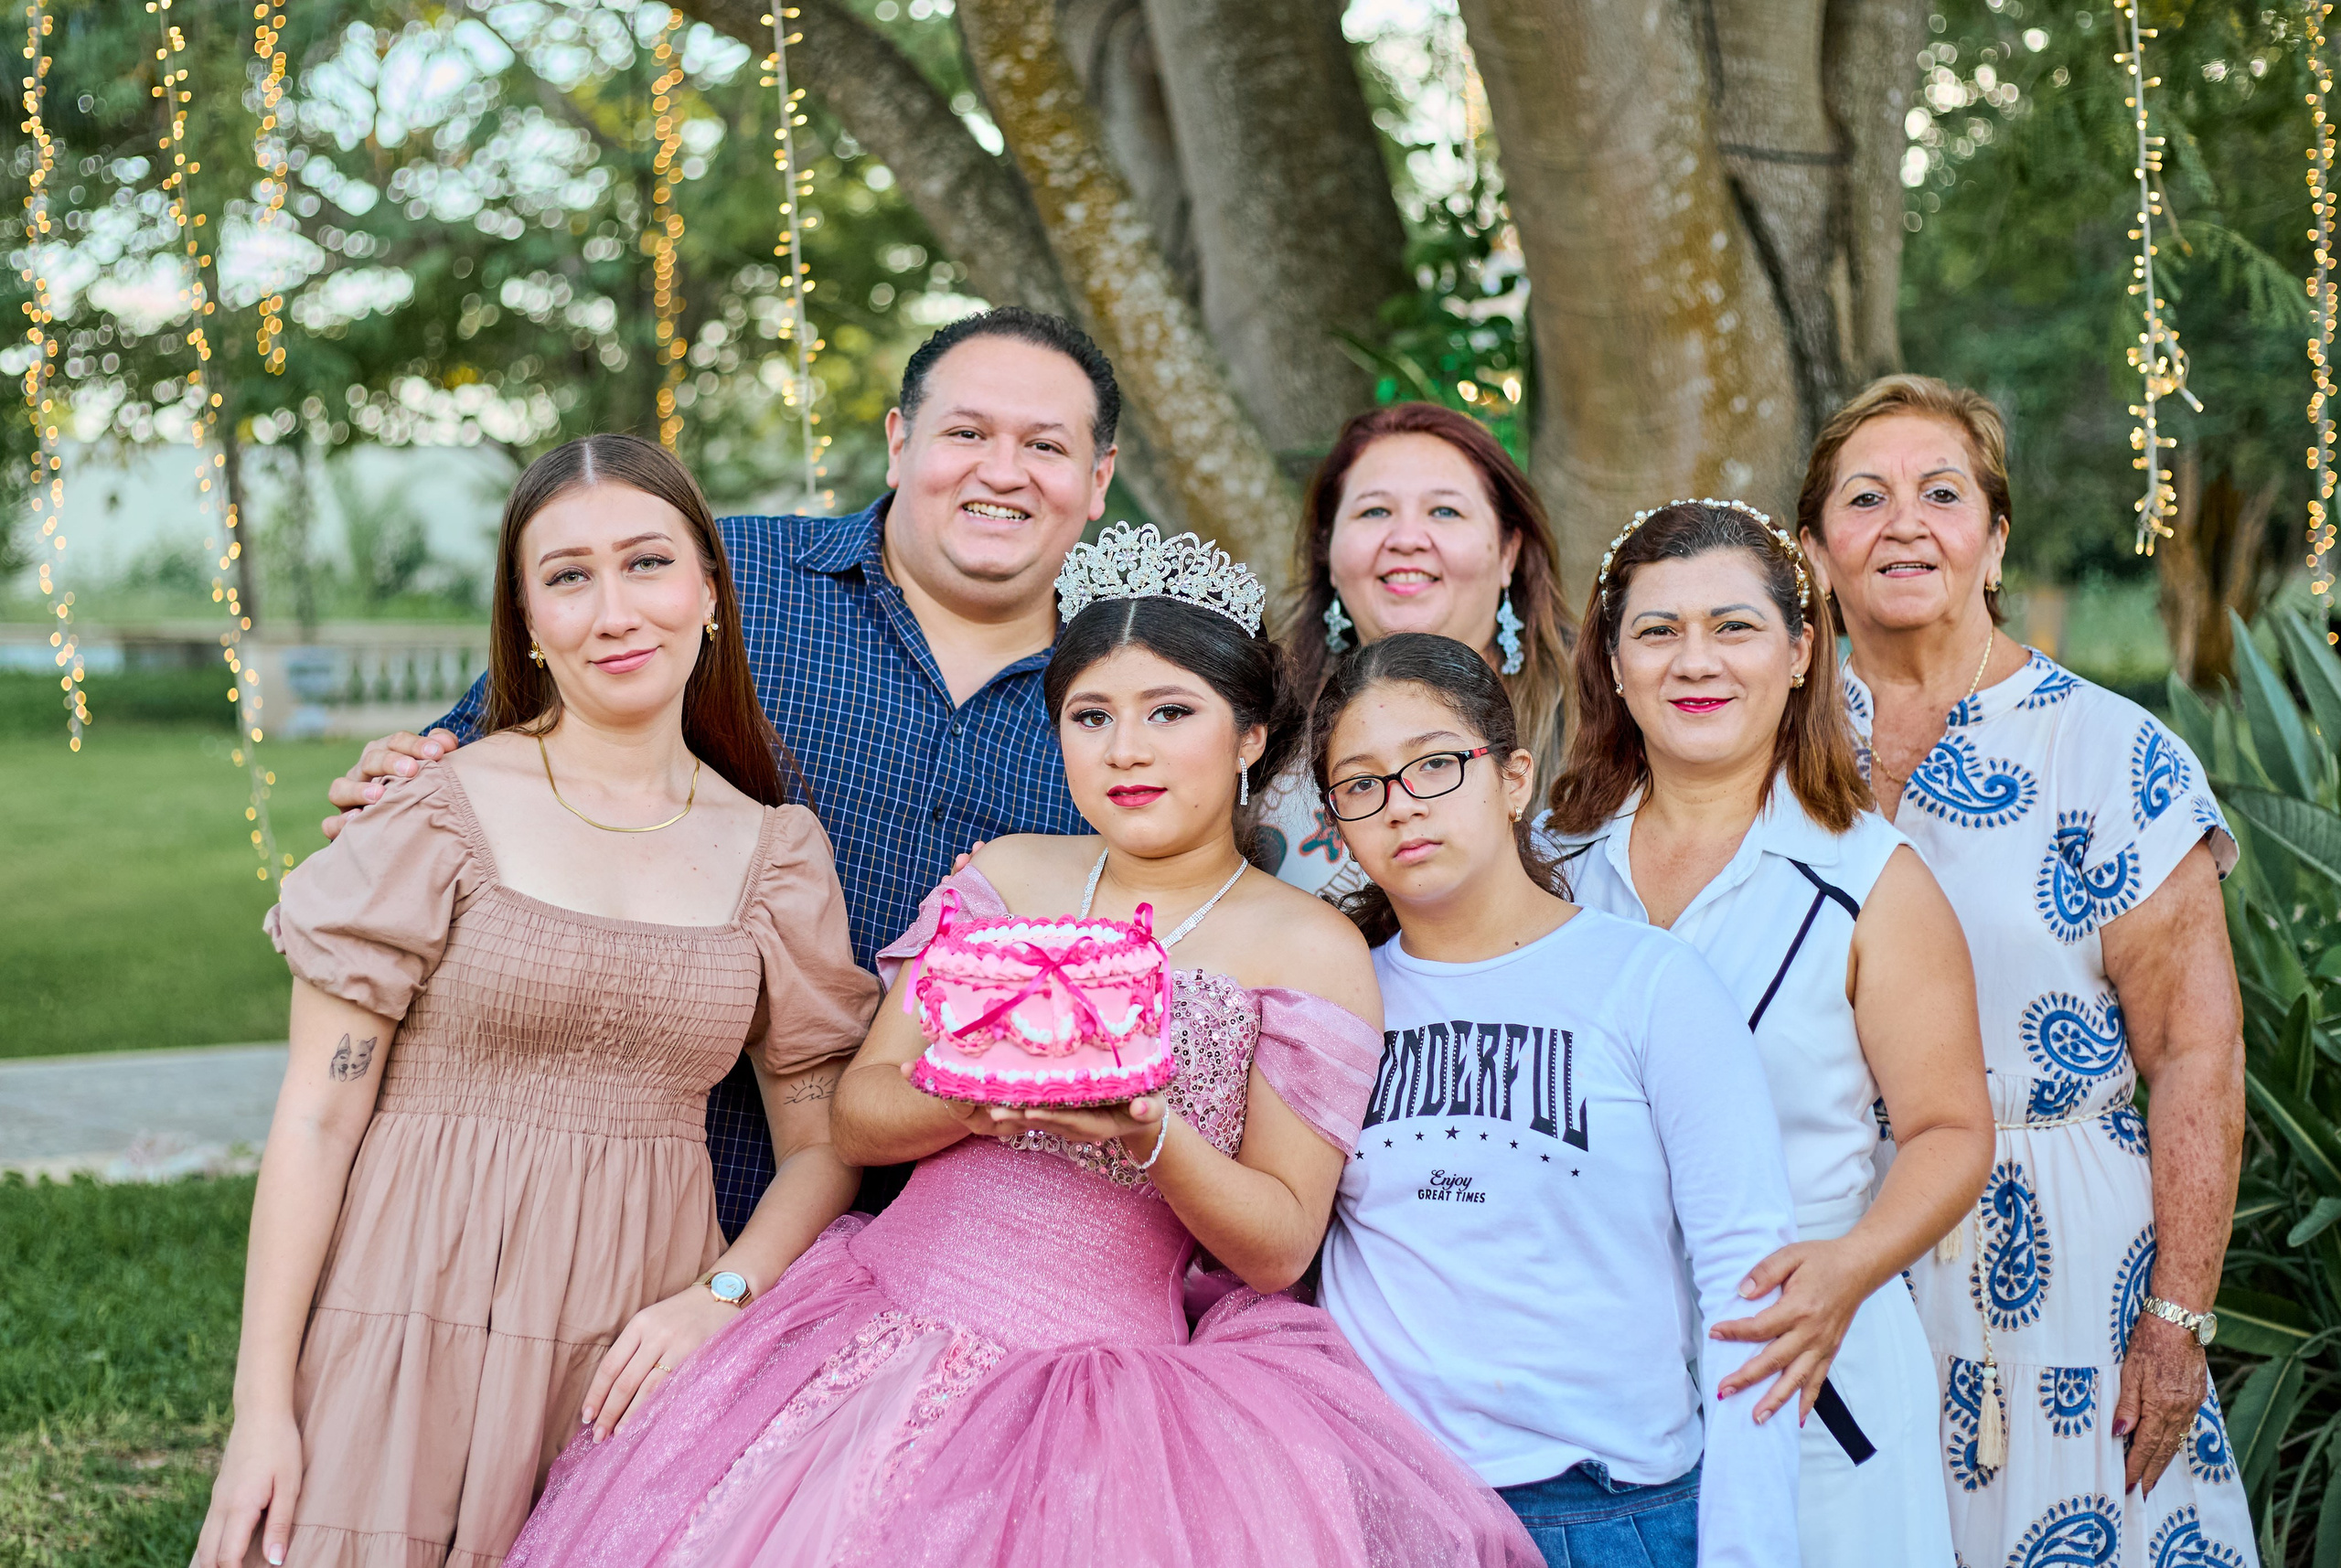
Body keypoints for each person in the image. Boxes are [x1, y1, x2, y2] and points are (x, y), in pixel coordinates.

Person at [500, 526, 1539, 1567]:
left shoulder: (1309, 946)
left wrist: (1149, 1134)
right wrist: (981, 1094)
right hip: (874, 1326)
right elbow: (859, 1113)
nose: (1124, 748)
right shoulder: (1003, 876)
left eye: (1169, 712)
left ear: (1250, 736)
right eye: (1090, 716)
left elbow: (1278, 1243)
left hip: (1105, 1400)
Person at [192, 435, 881, 1568]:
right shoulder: (429, 811)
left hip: (628, 1339)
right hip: (402, 1305)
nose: (614, 611)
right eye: (567, 575)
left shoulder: (775, 854)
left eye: (647, 563)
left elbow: (822, 1144)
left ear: (710, 588)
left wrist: (719, 1296)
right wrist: (260, 1408)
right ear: (523, 619)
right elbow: (316, 1118)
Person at [326, 307, 1114, 1234]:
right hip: (660, 1190)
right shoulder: (721, 580)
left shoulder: (1132, 695)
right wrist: (405, 772)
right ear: (899, 442)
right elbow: (490, 754)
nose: (1002, 470)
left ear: (1096, 480)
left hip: (966, 1240)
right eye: (967, 432)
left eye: (1046, 445)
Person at [1801, 375, 2251, 1563]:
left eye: (1942, 494)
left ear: (1994, 541)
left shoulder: (2111, 754)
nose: (1905, 522)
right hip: (1826, 1245)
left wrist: (2177, 1315)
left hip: (2068, 1269)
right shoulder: (1757, 752)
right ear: (1812, 549)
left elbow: (2194, 1050)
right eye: (1866, 497)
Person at [1540, 498, 1993, 1564]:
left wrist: (1843, 1271)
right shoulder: (1545, 867)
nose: (1695, 660)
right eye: (1656, 630)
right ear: (1612, 660)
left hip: (1810, 1365)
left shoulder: (1873, 878)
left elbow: (1948, 1129)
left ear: (1799, 652)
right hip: (1591, 1386)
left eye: (1733, 626)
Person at [1311, 632, 1801, 1568]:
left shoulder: (1651, 982)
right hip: (1385, 1507)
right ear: (1339, 822)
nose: (1401, 804)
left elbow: (1747, 1281)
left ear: (1511, 777)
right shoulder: (1337, 1000)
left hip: (1609, 1512)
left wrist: (1748, 1547)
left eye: (1435, 765)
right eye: (1362, 785)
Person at [1263, 401, 1573, 899]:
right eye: (1375, 511)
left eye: (1444, 511)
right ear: (1330, 554)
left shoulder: (1601, 720)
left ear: (1508, 552)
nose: (1406, 539)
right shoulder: (1261, 737)